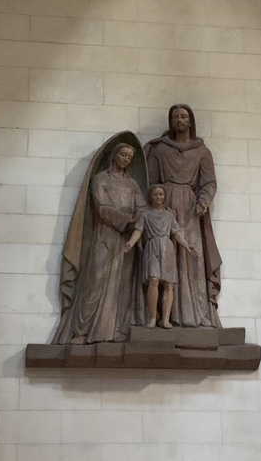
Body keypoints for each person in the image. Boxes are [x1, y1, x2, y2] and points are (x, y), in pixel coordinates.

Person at [52, 141, 146, 344]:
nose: (126, 159)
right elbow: (102, 207)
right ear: (115, 155)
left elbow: (142, 206)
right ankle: (81, 331)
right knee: (96, 281)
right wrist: (126, 219)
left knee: (122, 286)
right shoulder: (101, 179)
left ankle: (115, 331)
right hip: (105, 235)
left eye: (129, 157)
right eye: (123, 155)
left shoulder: (132, 184)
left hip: (127, 240)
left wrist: (138, 217)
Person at [145, 104, 222, 328]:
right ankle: (163, 316)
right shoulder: (160, 150)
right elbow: (150, 181)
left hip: (190, 207)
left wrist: (203, 201)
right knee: (163, 257)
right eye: (176, 116)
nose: (180, 120)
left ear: (190, 121)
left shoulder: (202, 152)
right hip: (164, 204)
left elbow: (209, 182)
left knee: (192, 254)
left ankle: (196, 313)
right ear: (171, 121)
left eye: (184, 116)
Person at [124, 184, 196, 329]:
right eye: (156, 194)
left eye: (161, 195)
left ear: (164, 197)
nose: (158, 197)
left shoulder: (169, 215)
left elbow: (177, 233)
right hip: (152, 247)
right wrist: (131, 243)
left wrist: (187, 245)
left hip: (167, 248)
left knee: (169, 284)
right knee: (154, 280)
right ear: (151, 197)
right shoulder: (145, 214)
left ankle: (165, 319)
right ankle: (152, 318)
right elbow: (138, 231)